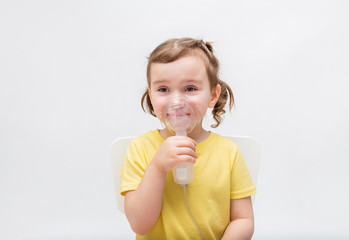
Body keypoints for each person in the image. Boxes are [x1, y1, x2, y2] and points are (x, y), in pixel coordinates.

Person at [120, 38, 257, 240]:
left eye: (190, 88)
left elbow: (243, 220)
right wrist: (157, 167)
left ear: (212, 95)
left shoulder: (228, 153)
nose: (176, 101)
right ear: (151, 96)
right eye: (163, 89)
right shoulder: (140, 149)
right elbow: (140, 225)